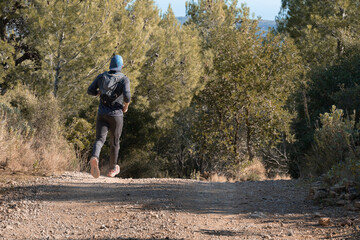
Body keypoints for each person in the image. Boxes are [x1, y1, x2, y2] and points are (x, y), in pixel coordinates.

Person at [87, 55, 131, 178]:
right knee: (115, 141)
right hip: (116, 115)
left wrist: (98, 93)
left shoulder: (101, 77)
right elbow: (127, 96)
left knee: (99, 139)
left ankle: (94, 157)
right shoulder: (124, 79)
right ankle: (112, 169)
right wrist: (126, 106)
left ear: (110, 65)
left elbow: (90, 90)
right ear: (121, 66)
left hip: (102, 113)